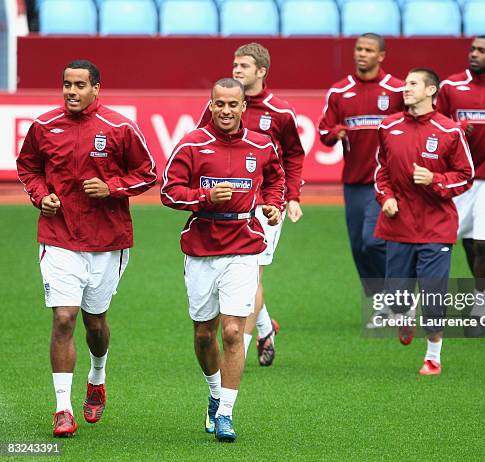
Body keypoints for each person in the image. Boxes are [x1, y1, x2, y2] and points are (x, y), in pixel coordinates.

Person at [16, 60, 157, 437]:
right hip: (59, 237)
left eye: (80, 85)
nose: (71, 91)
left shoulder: (119, 127)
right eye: (66, 84)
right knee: (63, 318)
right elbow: (27, 168)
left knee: (95, 323)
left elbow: (148, 174)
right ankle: (62, 408)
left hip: (107, 241)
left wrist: (111, 187)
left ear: (97, 88)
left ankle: (97, 376)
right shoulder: (44, 126)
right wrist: (40, 196)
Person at [161, 78, 284, 442]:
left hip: (244, 246)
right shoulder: (192, 143)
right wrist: (205, 196)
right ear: (211, 105)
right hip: (201, 247)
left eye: (233, 104)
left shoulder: (261, 145)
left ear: (244, 106)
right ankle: (214, 395)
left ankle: (227, 413)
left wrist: (273, 206)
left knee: (232, 331)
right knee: (204, 335)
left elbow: (276, 181)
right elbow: (169, 192)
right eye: (220, 104)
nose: (226, 110)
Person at [196, 43, 305, 366]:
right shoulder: (218, 106)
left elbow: (294, 156)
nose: (236, 70)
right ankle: (265, 327)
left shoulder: (281, 112)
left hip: (265, 205)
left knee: (251, 273)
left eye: (244, 65)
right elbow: (202, 144)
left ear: (261, 71)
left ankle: (239, 345)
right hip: (226, 203)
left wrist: (292, 196)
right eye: (234, 64)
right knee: (240, 271)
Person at [374, 69, 474, 375]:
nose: (406, 89)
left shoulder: (450, 131)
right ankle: (404, 314)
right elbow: (381, 172)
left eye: (413, 84)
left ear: (431, 90)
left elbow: (466, 175)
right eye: (405, 84)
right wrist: (386, 198)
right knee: (397, 297)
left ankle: (433, 356)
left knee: (433, 294)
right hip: (398, 225)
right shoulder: (388, 126)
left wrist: (435, 180)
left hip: (436, 227)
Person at [436, 36, 485, 337]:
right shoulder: (451, 87)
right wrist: (455, 130)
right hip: (461, 174)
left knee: (483, 242)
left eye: (482, 51)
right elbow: (437, 123)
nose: (474, 54)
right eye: (472, 49)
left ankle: (480, 309)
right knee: (467, 242)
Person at [318, 33, 404, 314]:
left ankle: (396, 296)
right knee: (358, 246)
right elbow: (323, 131)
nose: (361, 54)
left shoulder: (397, 90)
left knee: (372, 240)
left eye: (368, 50)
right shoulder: (340, 91)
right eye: (358, 49)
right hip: (354, 180)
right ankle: (380, 300)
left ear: (381, 56)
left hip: (387, 181)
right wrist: (335, 133)